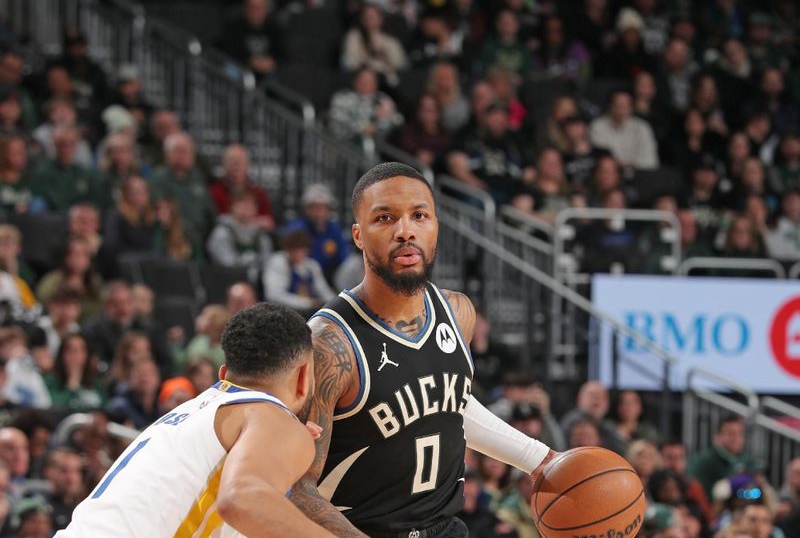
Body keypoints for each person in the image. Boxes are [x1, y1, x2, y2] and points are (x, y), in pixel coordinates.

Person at [289, 162, 556, 537]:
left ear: (435, 227)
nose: (405, 231)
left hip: (447, 528)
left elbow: (448, 404)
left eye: (419, 215)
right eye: (384, 218)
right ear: (358, 235)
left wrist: (540, 459)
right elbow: (294, 485)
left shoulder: (458, 312)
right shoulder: (328, 344)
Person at [57, 302, 335, 537]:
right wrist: (288, 438)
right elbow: (243, 499)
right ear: (302, 377)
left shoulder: (195, 412)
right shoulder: (273, 419)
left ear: (224, 373)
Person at [688, 416, 758, 500]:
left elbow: (756, 490)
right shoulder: (705, 460)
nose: (736, 438)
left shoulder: (745, 458)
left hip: (741, 505)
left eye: (739, 433)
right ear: (718, 436)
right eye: (730, 433)